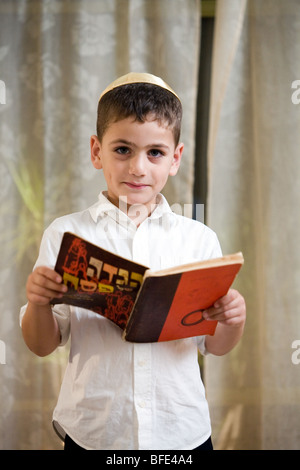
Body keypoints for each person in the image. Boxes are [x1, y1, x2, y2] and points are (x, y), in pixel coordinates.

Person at [20, 72, 246, 451]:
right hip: (96, 433)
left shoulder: (198, 239)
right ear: (97, 151)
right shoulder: (66, 235)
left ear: (175, 159)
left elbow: (217, 347)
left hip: (182, 433)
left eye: (155, 152)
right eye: (122, 149)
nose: (138, 168)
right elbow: (43, 344)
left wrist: (232, 319)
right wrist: (39, 302)